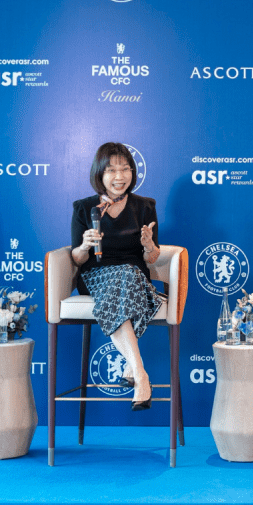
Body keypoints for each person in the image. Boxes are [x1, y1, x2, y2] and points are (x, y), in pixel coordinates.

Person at [71, 143, 162, 411]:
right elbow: (77, 258)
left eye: (125, 169)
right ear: (100, 174)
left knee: (128, 274)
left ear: (133, 172)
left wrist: (149, 245)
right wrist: (84, 245)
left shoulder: (145, 207)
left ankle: (134, 370)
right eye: (111, 170)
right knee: (122, 279)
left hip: (134, 277)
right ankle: (140, 374)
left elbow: (152, 258)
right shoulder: (84, 208)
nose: (119, 176)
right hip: (96, 276)